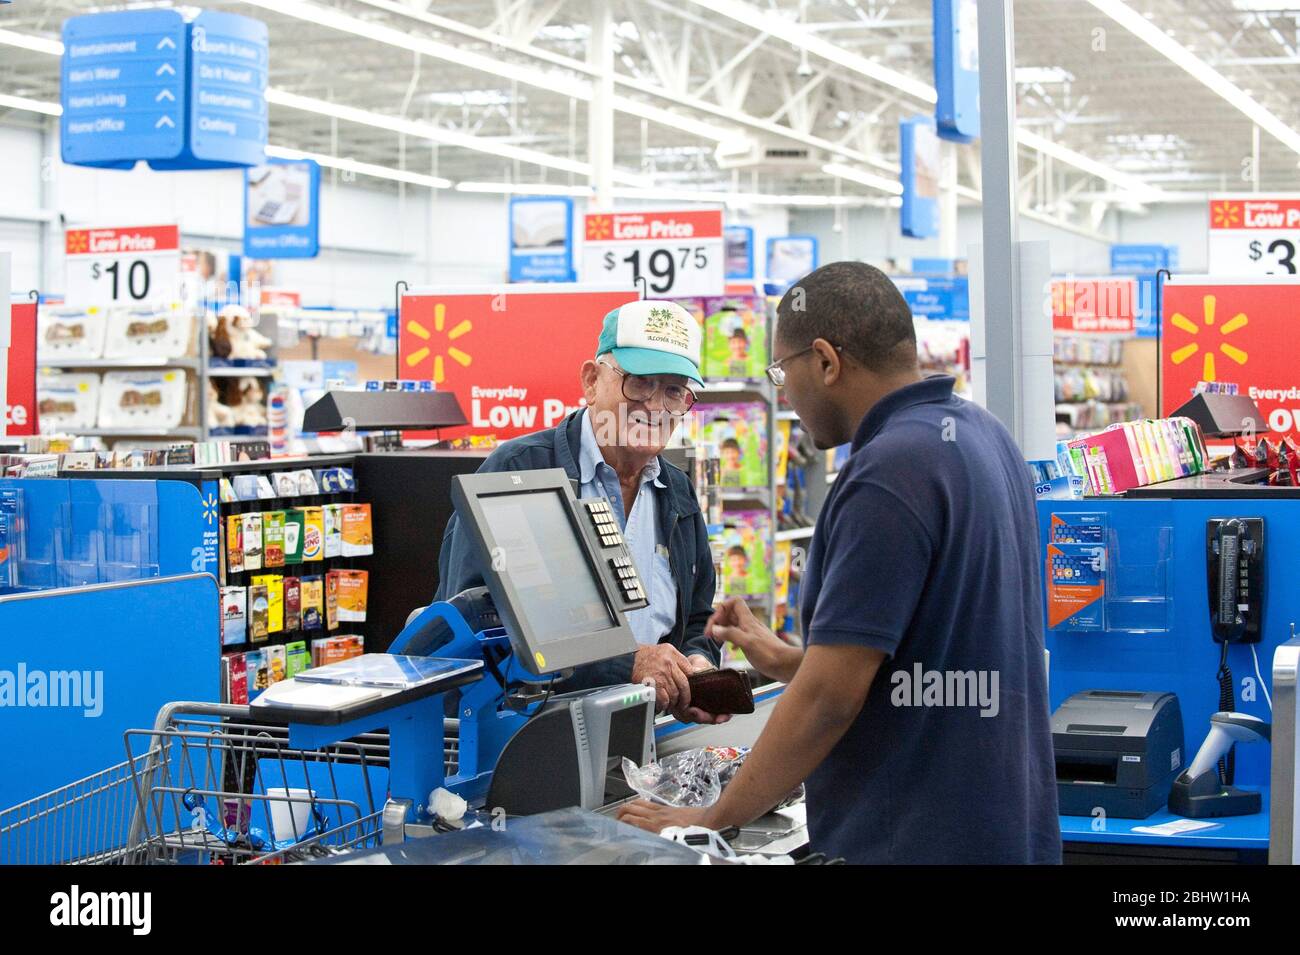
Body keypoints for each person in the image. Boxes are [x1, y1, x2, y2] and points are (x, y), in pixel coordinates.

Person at [619, 261, 1061, 864]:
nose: (784, 392)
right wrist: (778, 658)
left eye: (783, 371)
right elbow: (912, 661)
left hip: (913, 836)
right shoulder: (983, 436)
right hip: (999, 825)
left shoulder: (888, 472)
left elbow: (831, 699)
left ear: (826, 361)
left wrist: (707, 821)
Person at [436, 299, 725, 725]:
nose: (655, 407)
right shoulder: (520, 471)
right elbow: (475, 632)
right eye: (640, 383)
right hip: (526, 741)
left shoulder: (676, 491)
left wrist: (696, 666)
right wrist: (624, 663)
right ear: (591, 381)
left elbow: (697, 617)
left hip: (642, 738)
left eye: (674, 391)